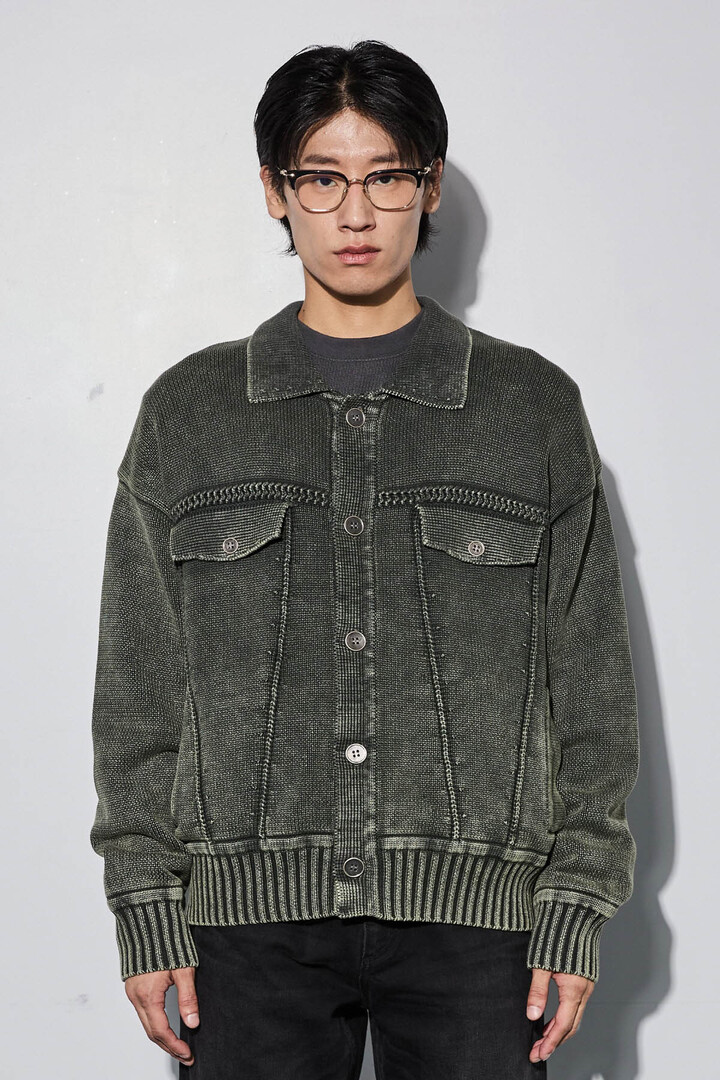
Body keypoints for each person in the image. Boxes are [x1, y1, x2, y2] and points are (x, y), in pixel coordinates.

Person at [89, 39, 640, 1079]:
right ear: (274, 191)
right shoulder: (190, 413)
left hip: (485, 933)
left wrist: (576, 901)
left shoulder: (529, 409)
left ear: (429, 186)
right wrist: (146, 904)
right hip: (242, 939)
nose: (355, 213)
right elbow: (138, 695)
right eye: (322, 178)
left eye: (385, 176)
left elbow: (593, 686)